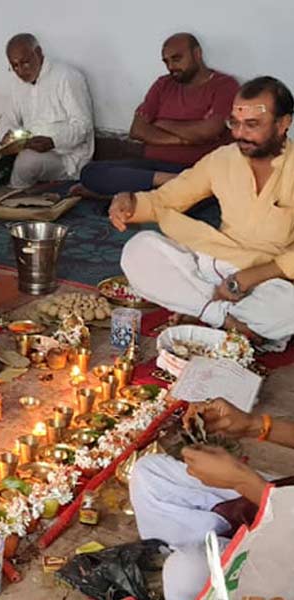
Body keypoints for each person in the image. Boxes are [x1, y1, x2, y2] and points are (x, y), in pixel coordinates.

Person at [113, 76, 294, 348]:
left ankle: (199, 308)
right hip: (212, 265)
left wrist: (247, 278)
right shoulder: (223, 158)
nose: (240, 134)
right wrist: (128, 201)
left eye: (252, 125)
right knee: (138, 250)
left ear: (283, 124)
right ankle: (225, 320)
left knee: (287, 307)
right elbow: (168, 199)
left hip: (268, 277)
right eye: (235, 123)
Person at [130, 398, 291, 599]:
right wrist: (255, 425)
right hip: (284, 497)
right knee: (150, 474)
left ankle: (215, 565)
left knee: (184, 573)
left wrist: (242, 481)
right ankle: (212, 550)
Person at [80, 33, 239, 197]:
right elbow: (137, 130)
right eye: (166, 62)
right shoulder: (163, 84)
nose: (171, 67)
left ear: (197, 54)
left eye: (177, 59)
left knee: (194, 193)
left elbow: (208, 132)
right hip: (154, 170)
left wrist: (162, 123)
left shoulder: (224, 85)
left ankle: (134, 193)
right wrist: (183, 139)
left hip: (195, 168)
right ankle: (169, 184)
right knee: (90, 172)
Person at [0, 33, 94, 188]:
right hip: (29, 144)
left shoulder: (67, 77)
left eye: (25, 63)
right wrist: (7, 137)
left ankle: (12, 194)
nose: (20, 71)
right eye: (14, 66)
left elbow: (83, 126)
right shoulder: (18, 83)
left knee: (27, 161)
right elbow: (9, 119)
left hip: (63, 155)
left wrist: (53, 141)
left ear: (39, 53)